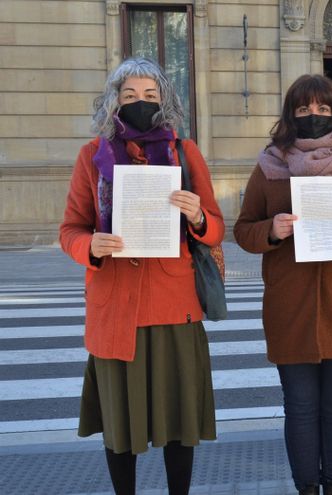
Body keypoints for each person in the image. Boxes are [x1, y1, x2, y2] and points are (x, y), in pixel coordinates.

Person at [58, 57, 223, 495]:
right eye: (129, 95)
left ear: (165, 100)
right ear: (113, 101)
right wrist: (88, 246)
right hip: (116, 309)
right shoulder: (92, 156)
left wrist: (198, 216)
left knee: (179, 423)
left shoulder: (184, 152)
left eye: (150, 95)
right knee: (120, 427)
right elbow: (70, 228)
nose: (139, 102)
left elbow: (217, 225)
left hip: (174, 308)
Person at [233, 74, 332, 495]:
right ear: (290, 115)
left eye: (322, 108)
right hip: (290, 306)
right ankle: (306, 488)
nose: (313, 115)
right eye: (303, 110)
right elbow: (243, 229)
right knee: (301, 408)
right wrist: (272, 229)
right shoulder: (270, 164)